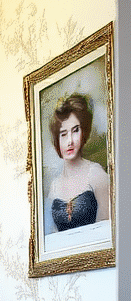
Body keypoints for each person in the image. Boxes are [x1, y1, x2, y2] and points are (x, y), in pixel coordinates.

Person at [46, 93, 110, 233]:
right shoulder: (54, 186)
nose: (70, 141)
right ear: (57, 140)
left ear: (83, 132)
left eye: (75, 131)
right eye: (63, 134)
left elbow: (107, 233)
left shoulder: (96, 174)